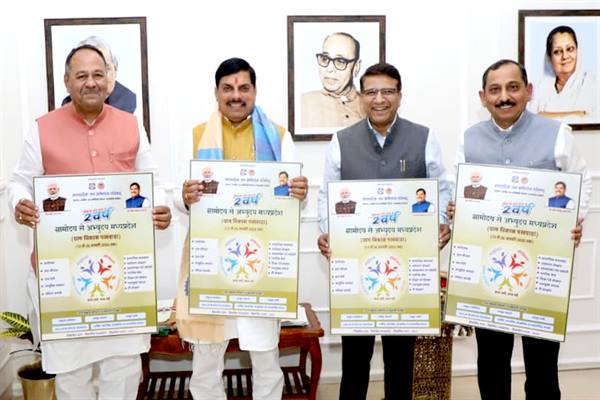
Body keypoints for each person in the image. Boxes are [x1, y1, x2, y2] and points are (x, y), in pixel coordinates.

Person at [7, 44, 171, 400]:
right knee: (71, 372)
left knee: (123, 367)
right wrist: (20, 202)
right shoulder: (41, 128)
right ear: (67, 81)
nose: (91, 82)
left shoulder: (131, 124)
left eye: (98, 74)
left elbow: (153, 181)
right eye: (81, 75)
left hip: (122, 271)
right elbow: (20, 181)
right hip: (62, 275)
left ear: (109, 79)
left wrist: (160, 207)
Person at [453, 59, 591, 400]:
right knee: (492, 361)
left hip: (541, 271)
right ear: (483, 97)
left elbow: (582, 180)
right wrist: (458, 209)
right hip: (489, 272)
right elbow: (461, 191)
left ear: (528, 91)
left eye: (513, 87)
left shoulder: (557, 134)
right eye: (495, 90)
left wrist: (573, 219)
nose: (504, 97)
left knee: (542, 365)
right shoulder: (468, 139)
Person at [174, 57, 308, 400]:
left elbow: (293, 199)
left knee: (265, 355)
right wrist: (185, 196)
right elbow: (177, 194)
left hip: (259, 262)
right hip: (211, 261)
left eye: (243, 88)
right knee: (206, 357)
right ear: (216, 92)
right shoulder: (195, 136)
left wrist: (299, 192)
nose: (236, 95)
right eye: (228, 88)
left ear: (254, 91)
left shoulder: (278, 137)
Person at [317, 62, 453, 400]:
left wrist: (442, 224)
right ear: (361, 97)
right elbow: (326, 195)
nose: (379, 99)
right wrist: (328, 232)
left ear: (400, 96)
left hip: (405, 269)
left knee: (400, 360)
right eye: (372, 92)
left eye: (388, 91)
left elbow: (442, 188)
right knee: (355, 361)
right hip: (356, 270)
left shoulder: (424, 137)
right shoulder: (341, 141)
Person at [530, 25, 597, 121]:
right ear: (549, 57)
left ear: (578, 51)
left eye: (570, 49)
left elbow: (595, 119)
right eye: (557, 52)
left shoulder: (593, 84)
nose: (565, 56)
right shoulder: (539, 88)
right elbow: (530, 119)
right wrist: (579, 114)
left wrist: (543, 115)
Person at [301, 32, 365, 129]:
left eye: (340, 61)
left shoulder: (370, 104)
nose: (329, 69)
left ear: (356, 67)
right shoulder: (304, 103)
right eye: (325, 58)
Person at [62, 36, 137, 113]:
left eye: (106, 69)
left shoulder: (131, 104)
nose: (91, 83)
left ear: (115, 69)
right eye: (83, 74)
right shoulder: (67, 104)